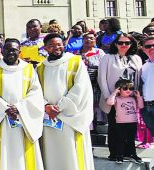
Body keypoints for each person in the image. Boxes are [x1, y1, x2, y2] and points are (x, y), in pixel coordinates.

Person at [0, 36, 45, 170]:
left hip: (23, 118)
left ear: (19, 51)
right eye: (8, 49)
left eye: (15, 50)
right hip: (1, 118)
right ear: (3, 51)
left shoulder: (28, 69)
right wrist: (5, 108)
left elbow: (35, 93)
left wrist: (19, 108)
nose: (11, 52)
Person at [35, 33, 95, 170]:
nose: (56, 48)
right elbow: (35, 90)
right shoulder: (40, 68)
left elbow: (81, 88)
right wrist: (46, 106)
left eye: (59, 44)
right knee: (52, 154)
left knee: (71, 154)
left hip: (69, 116)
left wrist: (60, 107)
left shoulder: (75, 62)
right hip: (49, 117)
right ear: (45, 48)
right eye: (51, 45)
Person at [105, 79, 144, 164]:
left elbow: (140, 106)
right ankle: (119, 156)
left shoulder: (133, 99)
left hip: (132, 123)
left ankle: (133, 155)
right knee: (120, 140)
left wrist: (138, 97)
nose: (128, 90)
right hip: (120, 123)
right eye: (125, 88)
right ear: (119, 89)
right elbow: (109, 102)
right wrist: (114, 93)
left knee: (131, 140)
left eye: (131, 88)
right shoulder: (117, 99)